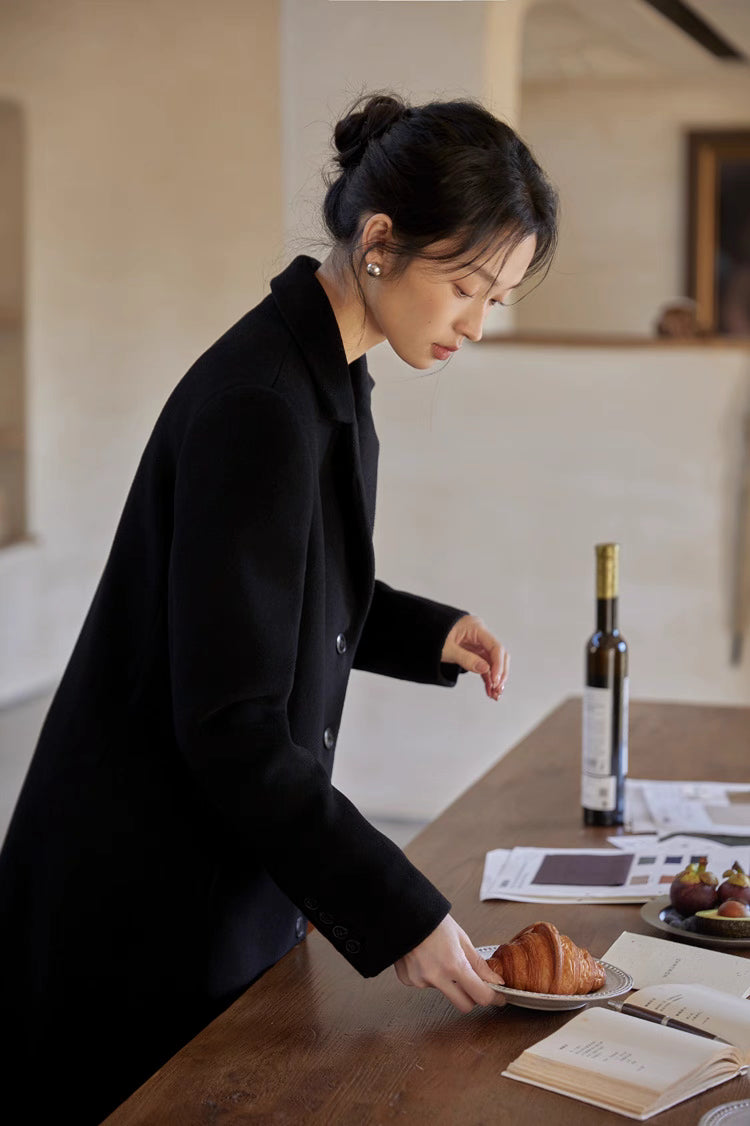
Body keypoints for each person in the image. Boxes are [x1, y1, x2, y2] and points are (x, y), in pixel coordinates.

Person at [0, 91, 558, 1124]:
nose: (477, 324)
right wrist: (400, 913)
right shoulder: (261, 401)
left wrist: (427, 629)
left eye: (498, 298)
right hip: (138, 895)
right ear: (381, 242)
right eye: (468, 285)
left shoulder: (323, 376)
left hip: (208, 872)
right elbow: (232, 723)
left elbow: (287, 589)